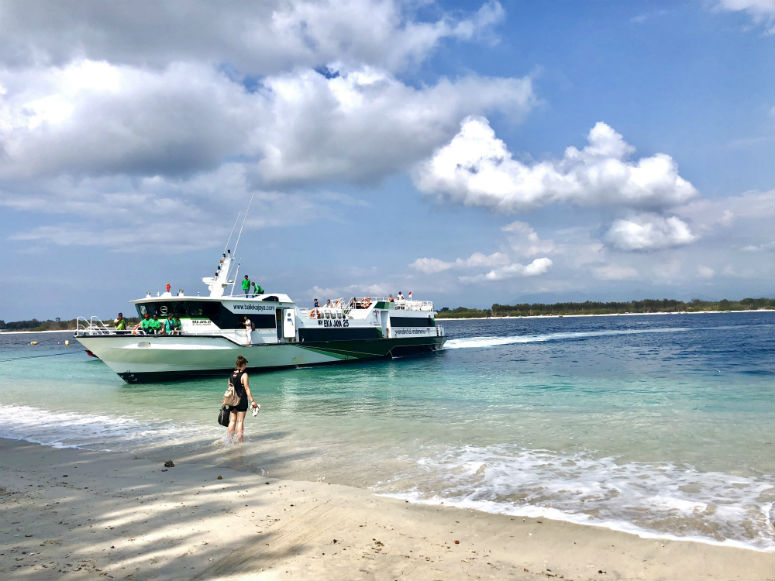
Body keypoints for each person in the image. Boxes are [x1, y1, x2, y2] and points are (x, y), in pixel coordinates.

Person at [227, 355, 259, 443]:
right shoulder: (244, 375)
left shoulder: (231, 375)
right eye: (245, 364)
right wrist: (252, 401)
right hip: (241, 400)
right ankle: (240, 442)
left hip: (232, 401)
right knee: (240, 421)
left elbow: (229, 388)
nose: (246, 366)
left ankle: (229, 441)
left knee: (232, 421)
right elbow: (247, 388)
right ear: (243, 364)